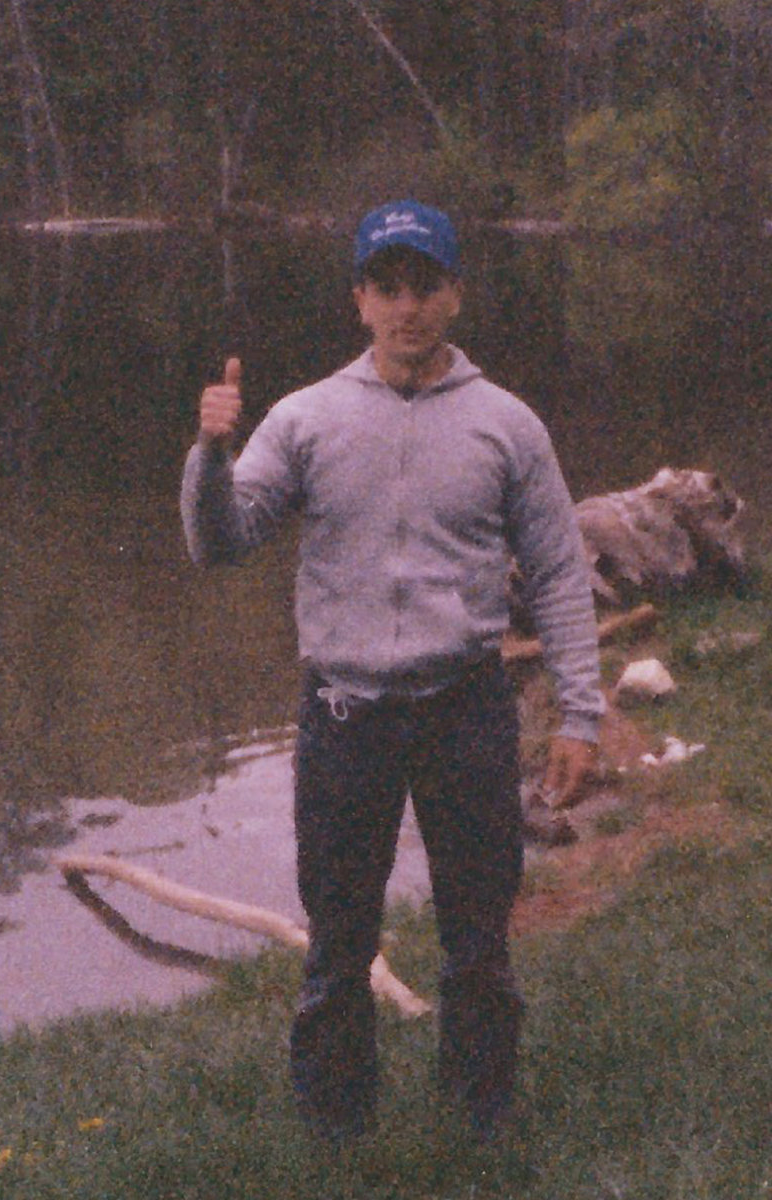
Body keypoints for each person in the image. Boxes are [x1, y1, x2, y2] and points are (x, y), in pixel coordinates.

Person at [180, 200, 604, 1144]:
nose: (406, 307)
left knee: (479, 941)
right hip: (344, 717)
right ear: (359, 301)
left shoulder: (508, 426)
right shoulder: (305, 419)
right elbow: (220, 543)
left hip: (469, 711)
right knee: (338, 946)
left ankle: (482, 1122)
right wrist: (209, 455)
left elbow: (559, 574)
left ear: (455, 295)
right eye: (387, 287)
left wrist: (581, 715)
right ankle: (337, 1137)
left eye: (425, 286)